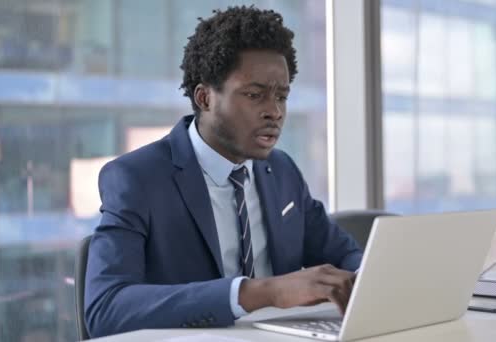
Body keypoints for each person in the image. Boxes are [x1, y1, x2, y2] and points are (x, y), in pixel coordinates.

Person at [84, 6, 362, 338]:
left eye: (282, 96)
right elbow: (105, 307)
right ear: (204, 98)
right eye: (254, 95)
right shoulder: (137, 178)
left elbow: (347, 256)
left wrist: (367, 279)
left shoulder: (282, 170)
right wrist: (259, 292)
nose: (274, 111)